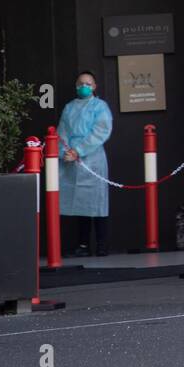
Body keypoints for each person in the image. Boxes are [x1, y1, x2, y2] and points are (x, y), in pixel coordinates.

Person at [59, 70, 114, 257]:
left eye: (88, 83)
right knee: (80, 203)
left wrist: (79, 150)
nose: (85, 86)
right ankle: (83, 244)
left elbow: (100, 131)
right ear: (76, 85)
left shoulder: (100, 107)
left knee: (97, 203)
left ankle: (102, 244)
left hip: (93, 158)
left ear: (95, 86)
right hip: (72, 159)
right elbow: (62, 132)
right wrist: (66, 151)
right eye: (81, 83)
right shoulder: (69, 108)